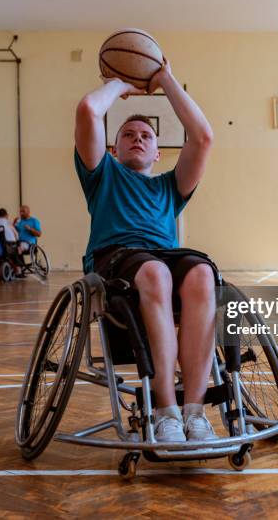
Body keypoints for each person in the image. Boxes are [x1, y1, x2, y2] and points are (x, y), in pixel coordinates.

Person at [74, 58, 215, 442]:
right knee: (156, 272)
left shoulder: (170, 187)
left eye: (147, 136)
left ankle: (195, 412)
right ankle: (165, 411)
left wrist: (165, 79)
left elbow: (202, 137)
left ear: (157, 153)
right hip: (116, 257)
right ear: (113, 149)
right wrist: (120, 84)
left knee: (203, 273)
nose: (138, 137)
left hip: (162, 260)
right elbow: (89, 110)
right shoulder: (103, 174)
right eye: (128, 134)